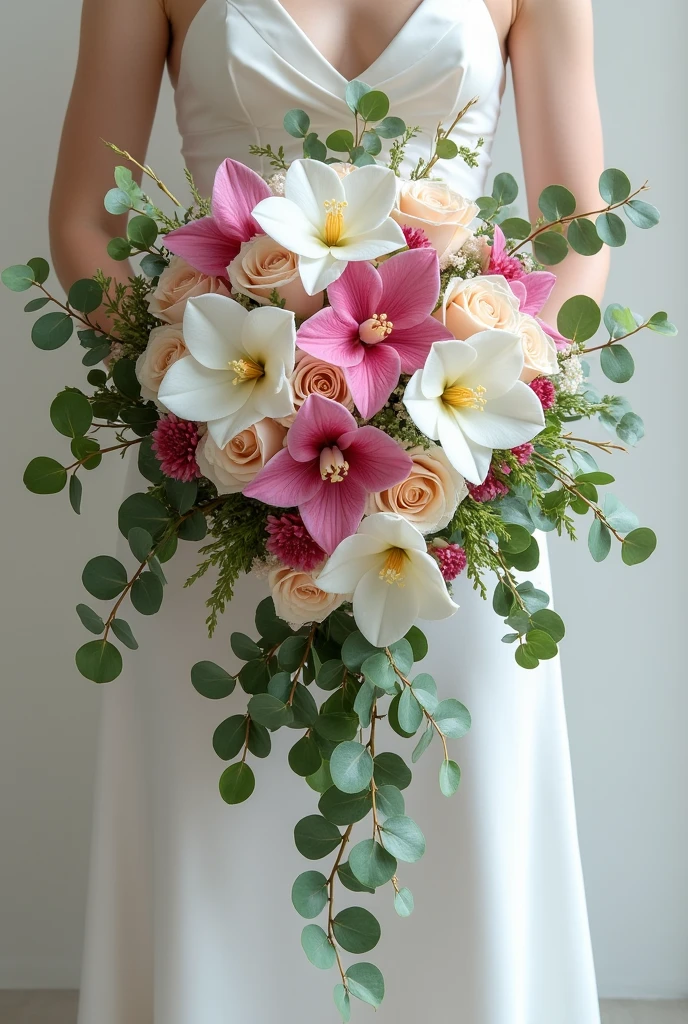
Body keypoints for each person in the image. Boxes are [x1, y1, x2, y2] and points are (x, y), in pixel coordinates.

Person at [50, 2, 609, 1022]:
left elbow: (578, 234)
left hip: (457, 472)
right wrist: (203, 376)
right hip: (222, 470)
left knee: (463, 802)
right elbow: (83, 218)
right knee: (218, 836)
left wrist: (479, 397)